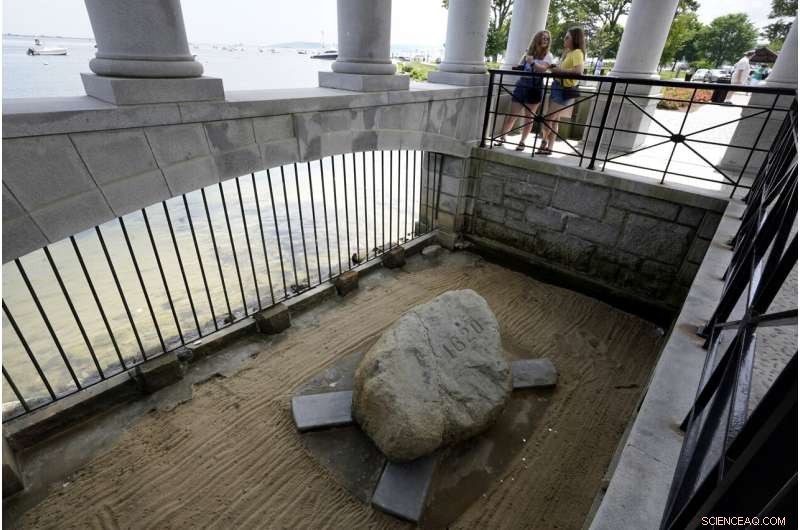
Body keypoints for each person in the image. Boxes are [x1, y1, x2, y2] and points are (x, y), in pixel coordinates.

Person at [495, 31, 554, 151]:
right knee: (512, 114)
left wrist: (532, 63)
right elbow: (520, 65)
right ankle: (502, 137)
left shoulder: (548, 55)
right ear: (537, 39)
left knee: (529, 117)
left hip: (535, 86)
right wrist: (524, 62)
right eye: (543, 38)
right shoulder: (529, 52)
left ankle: (522, 142)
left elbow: (543, 70)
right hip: (522, 84)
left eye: (547, 39)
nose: (545, 40)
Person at [538, 27, 586, 155]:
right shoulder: (569, 52)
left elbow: (578, 71)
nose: (564, 39)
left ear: (575, 39)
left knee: (548, 118)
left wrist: (559, 70)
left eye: (567, 37)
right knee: (554, 120)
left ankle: (543, 142)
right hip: (557, 87)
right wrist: (556, 68)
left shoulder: (577, 52)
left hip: (562, 89)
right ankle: (549, 148)